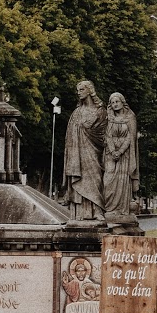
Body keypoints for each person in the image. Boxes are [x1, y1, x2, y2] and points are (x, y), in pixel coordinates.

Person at [61, 81, 106, 220]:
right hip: (77, 153)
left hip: (93, 151)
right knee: (79, 179)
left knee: (96, 179)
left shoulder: (100, 111)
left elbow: (104, 133)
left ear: (89, 91)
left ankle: (97, 210)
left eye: (81, 89)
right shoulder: (76, 113)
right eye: (78, 90)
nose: (79, 92)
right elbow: (69, 136)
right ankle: (79, 213)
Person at [103, 91, 139, 223]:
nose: (115, 104)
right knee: (108, 180)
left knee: (123, 180)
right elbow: (107, 135)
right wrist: (113, 151)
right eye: (112, 102)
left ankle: (121, 210)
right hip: (110, 154)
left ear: (122, 102)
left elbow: (131, 136)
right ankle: (109, 208)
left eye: (117, 101)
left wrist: (121, 151)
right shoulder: (108, 118)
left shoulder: (130, 117)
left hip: (125, 156)